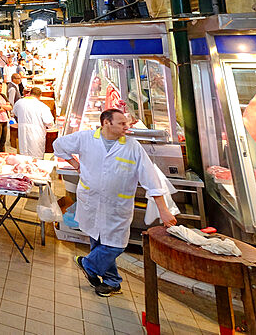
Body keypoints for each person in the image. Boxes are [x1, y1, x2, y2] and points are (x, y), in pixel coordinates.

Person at [54, 108, 177, 297]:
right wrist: (76, 164)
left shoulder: (132, 146)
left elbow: (150, 179)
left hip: (116, 207)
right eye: (122, 123)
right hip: (92, 202)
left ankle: (88, 264)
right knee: (99, 242)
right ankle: (111, 282)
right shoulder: (86, 138)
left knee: (116, 244)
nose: (127, 127)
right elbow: (59, 145)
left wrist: (163, 209)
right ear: (106, 123)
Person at [12, 86, 54, 158]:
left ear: (30, 93)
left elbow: (15, 113)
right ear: (40, 96)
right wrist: (51, 126)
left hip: (23, 131)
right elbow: (48, 122)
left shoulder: (19, 102)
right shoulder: (42, 106)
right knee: (36, 155)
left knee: (24, 154)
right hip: (36, 133)